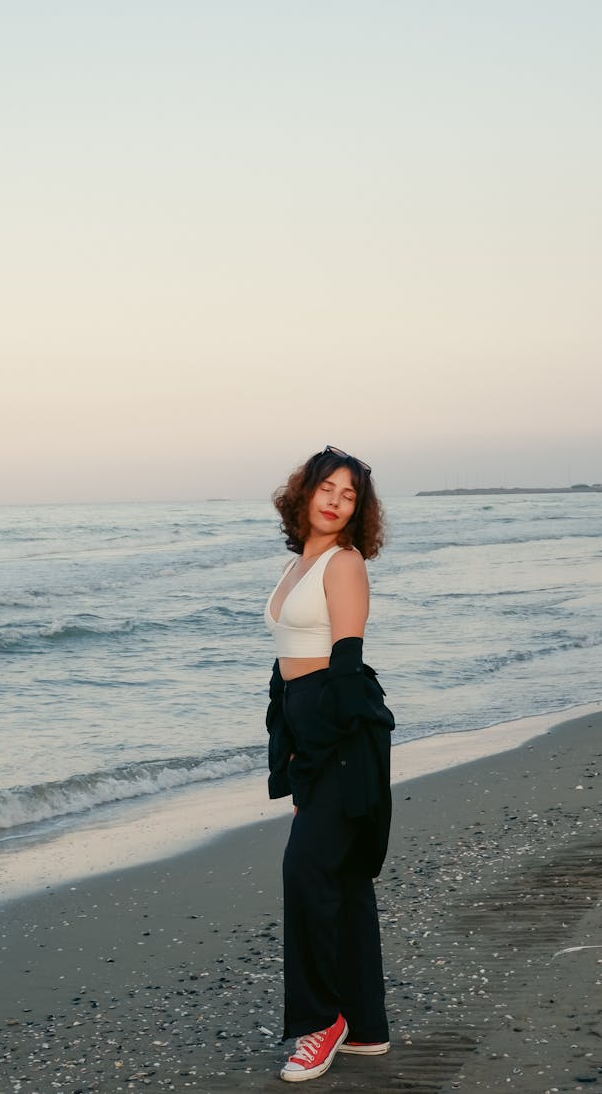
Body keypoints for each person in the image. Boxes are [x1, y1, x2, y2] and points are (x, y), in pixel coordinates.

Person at [265, 445, 395, 1083]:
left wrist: (316, 755)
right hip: (310, 722)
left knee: (306, 873)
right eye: (327, 488)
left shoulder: (342, 566)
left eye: (349, 494)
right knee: (341, 879)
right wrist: (289, 748)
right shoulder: (297, 566)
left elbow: (344, 669)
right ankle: (365, 1026)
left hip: (342, 729)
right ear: (305, 493)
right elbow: (286, 665)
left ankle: (321, 1024)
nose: (335, 500)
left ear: (358, 509)